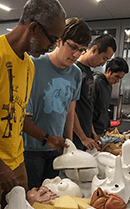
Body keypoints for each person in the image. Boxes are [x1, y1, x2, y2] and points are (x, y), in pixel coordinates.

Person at [0, 0, 66, 209]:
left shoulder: (29, 66)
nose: (51, 48)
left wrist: (46, 138)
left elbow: (17, 116)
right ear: (33, 28)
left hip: (17, 162)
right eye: (52, 40)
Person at [23, 17, 91, 189]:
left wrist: (68, 142)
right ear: (59, 40)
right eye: (73, 47)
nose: (76, 54)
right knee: (31, 198)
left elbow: (70, 110)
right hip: (30, 148)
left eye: (81, 50)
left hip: (56, 148)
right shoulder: (34, 64)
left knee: (53, 196)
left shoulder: (76, 74)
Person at [72, 34, 117, 150]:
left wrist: (92, 133)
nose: (103, 63)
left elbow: (87, 107)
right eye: (104, 58)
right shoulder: (75, 71)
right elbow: (71, 109)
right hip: (74, 138)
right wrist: (83, 137)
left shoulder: (89, 73)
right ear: (95, 49)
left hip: (86, 136)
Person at [92, 57, 129, 140]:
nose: (117, 81)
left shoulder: (108, 85)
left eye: (120, 78)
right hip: (93, 131)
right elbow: (88, 110)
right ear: (108, 71)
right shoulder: (96, 82)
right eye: (116, 77)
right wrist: (91, 132)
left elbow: (104, 108)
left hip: (101, 130)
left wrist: (108, 126)